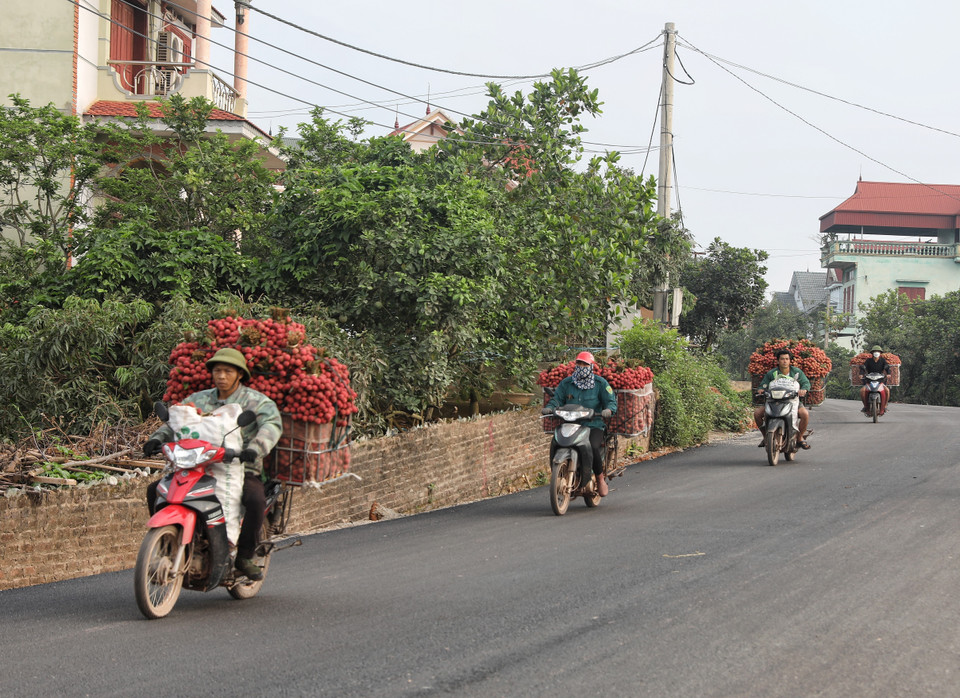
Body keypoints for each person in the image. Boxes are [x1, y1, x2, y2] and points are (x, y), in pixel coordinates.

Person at [143, 347, 283, 581]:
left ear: (240, 374)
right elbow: (176, 422)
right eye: (217, 371)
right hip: (196, 465)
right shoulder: (198, 399)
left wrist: (254, 449)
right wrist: (156, 439)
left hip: (240, 467)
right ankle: (167, 543)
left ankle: (245, 556)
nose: (221, 376)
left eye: (228, 371)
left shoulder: (256, 401)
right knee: (154, 490)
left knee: (254, 500)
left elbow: (272, 425)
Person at [541, 351, 617, 496]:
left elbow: (611, 402)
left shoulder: (600, 384)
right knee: (556, 442)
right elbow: (557, 399)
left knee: (593, 447)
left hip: (593, 425)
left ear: (591, 366)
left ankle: (600, 479)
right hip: (570, 424)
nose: (581, 367)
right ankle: (559, 473)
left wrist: (608, 410)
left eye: (585, 364)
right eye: (579, 363)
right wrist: (550, 407)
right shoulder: (566, 383)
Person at [754, 349, 811, 449]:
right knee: (757, 414)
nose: (784, 361)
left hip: (793, 401)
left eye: (787, 359)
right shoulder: (772, 373)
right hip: (773, 401)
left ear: (790, 361)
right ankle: (765, 437)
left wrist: (804, 389)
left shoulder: (797, 372)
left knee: (805, 414)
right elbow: (763, 384)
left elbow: (806, 383)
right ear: (778, 361)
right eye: (782, 359)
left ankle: (800, 438)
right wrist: (761, 390)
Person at [859, 345, 892, 416]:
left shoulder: (883, 360)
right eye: (875, 352)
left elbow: (887, 367)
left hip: (880, 380)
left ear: (880, 353)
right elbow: (863, 367)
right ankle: (865, 406)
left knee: (887, 390)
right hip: (869, 380)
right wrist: (861, 373)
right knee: (862, 391)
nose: (876, 353)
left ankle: (885, 406)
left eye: (878, 352)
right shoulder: (868, 360)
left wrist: (888, 373)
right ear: (872, 353)